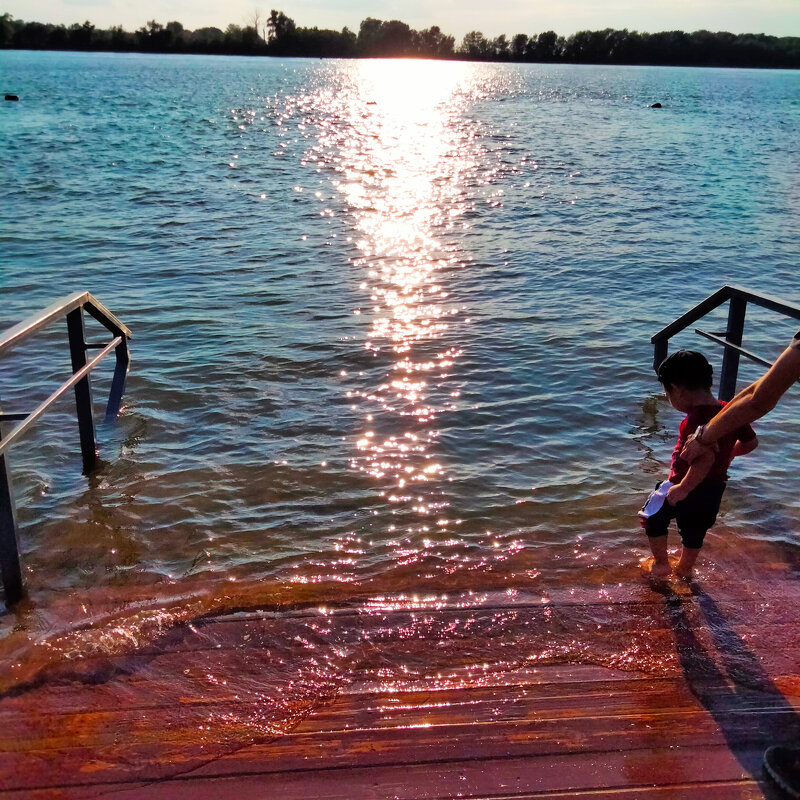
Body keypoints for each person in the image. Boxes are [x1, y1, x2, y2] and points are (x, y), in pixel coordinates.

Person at [679, 329, 800, 798]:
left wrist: (703, 441)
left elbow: (760, 396)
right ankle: (684, 569)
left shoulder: (699, 420)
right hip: (714, 473)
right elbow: (751, 398)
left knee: (686, 528)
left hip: (702, 485)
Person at [639, 350, 757, 579]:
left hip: (685, 485)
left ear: (677, 389)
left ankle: (662, 565)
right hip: (713, 490)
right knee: (694, 531)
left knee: (652, 517)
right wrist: (730, 454)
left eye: (667, 392)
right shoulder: (729, 412)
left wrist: (683, 488)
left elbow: (704, 459)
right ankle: (685, 568)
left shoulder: (693, 421)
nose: (668, 398)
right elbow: (751, 443)